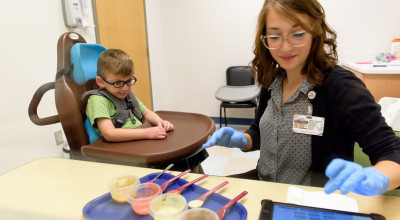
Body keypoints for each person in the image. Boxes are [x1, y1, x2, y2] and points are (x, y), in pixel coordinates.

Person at [202, 0, 400, 196]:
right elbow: (259, 134)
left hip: (312, 199)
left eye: (297, 34)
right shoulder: (272, 80)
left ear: (315, 32)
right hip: (264, 185)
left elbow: (392, 152)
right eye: (274, 36)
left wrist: (376, 178)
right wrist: (242, 140)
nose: (285, 47)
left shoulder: (341, 87)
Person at [86, 49, 174, 142]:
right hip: (121, 147)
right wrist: (147, 133)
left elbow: (147, 113)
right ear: (101, 82)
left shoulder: (126, 95)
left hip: (139, 139)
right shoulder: (97, 100)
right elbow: (109, 134)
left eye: (129, 81)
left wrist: (160, 122)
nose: (125, 88)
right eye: (118, 83)